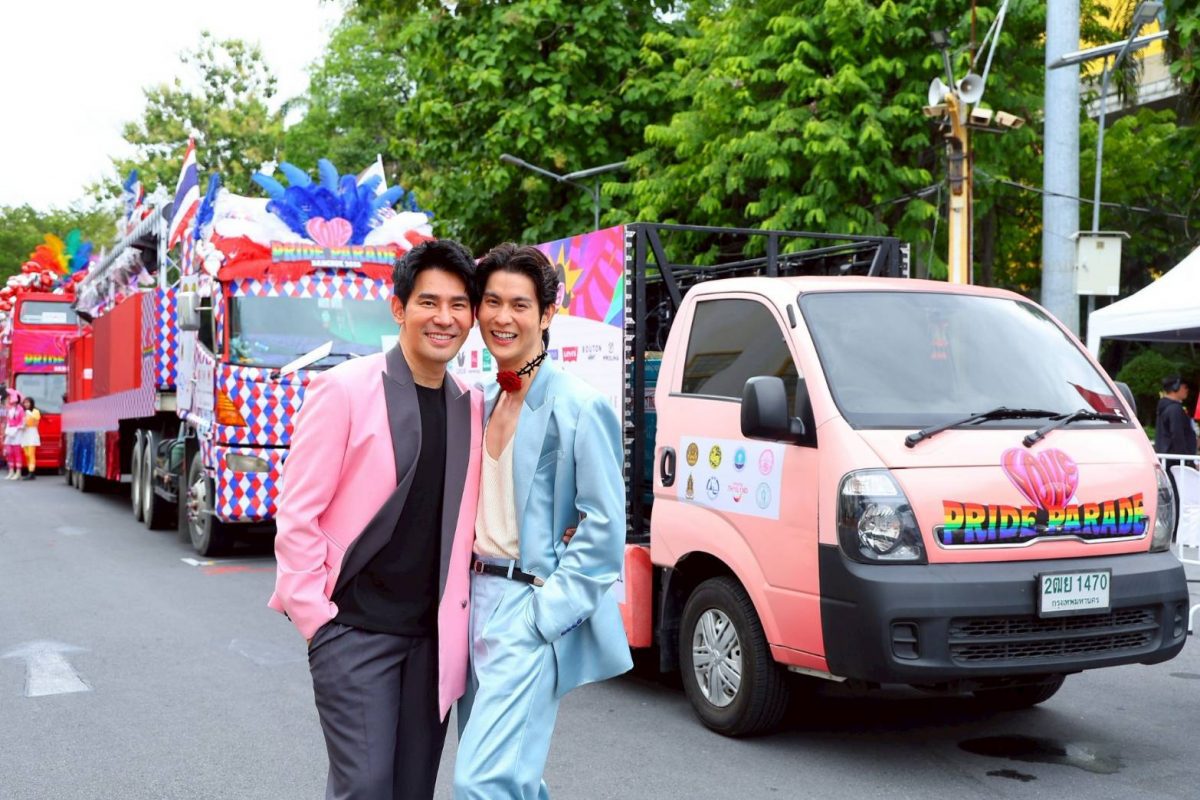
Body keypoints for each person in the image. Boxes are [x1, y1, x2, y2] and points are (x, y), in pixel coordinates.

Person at [269, 239, 484, 800]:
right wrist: (315, 617)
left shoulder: (471, 404)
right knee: (364, 786)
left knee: (414, 790)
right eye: (428, 302)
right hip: (354, 630)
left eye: (458, 305)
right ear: (399, 308)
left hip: (433, 642)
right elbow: (297, 511)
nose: (444, 318)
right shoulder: (344, 388)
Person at [454, 244, 632, 799]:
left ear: (547, 313)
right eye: (492, 302)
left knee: (479, 781)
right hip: (470, 603)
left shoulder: (579, 405)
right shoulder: (480, 401)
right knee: (514, 779)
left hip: (525, 604)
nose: (502, 317)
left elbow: (604, 528)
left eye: (520, 305)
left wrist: (544, 616)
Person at [1154, 375, 1196, 461]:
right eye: (1185, 387)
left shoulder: (1166, 407)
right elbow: (1177, 435)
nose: (1187, 390)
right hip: (1176, 461)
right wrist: (1186, 461)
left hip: (1168, 458)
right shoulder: (1175, 409)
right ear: (1175, 387)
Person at [19, 396, 41, 480]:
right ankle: (30, 471)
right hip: (24, 434)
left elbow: (35, 421)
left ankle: (31, 472)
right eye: (25, 403)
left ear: (31, 403)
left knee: (31, 454)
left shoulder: (35, 411)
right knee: (26, 454)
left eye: (28, 402)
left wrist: (28, 416)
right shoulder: (23, 412)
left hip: (32, 433)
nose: (26, 404)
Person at [4, 391, 24, 480]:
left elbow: (23, 421)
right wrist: (7, 429)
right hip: (10, 431)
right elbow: (8, 420)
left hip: (17, 432)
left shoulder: (20, 409)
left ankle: (18, 472)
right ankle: (11, 471)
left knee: (17, 452)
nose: (11, 400)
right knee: (9, 452)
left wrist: (17, 428)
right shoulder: (9, 409)